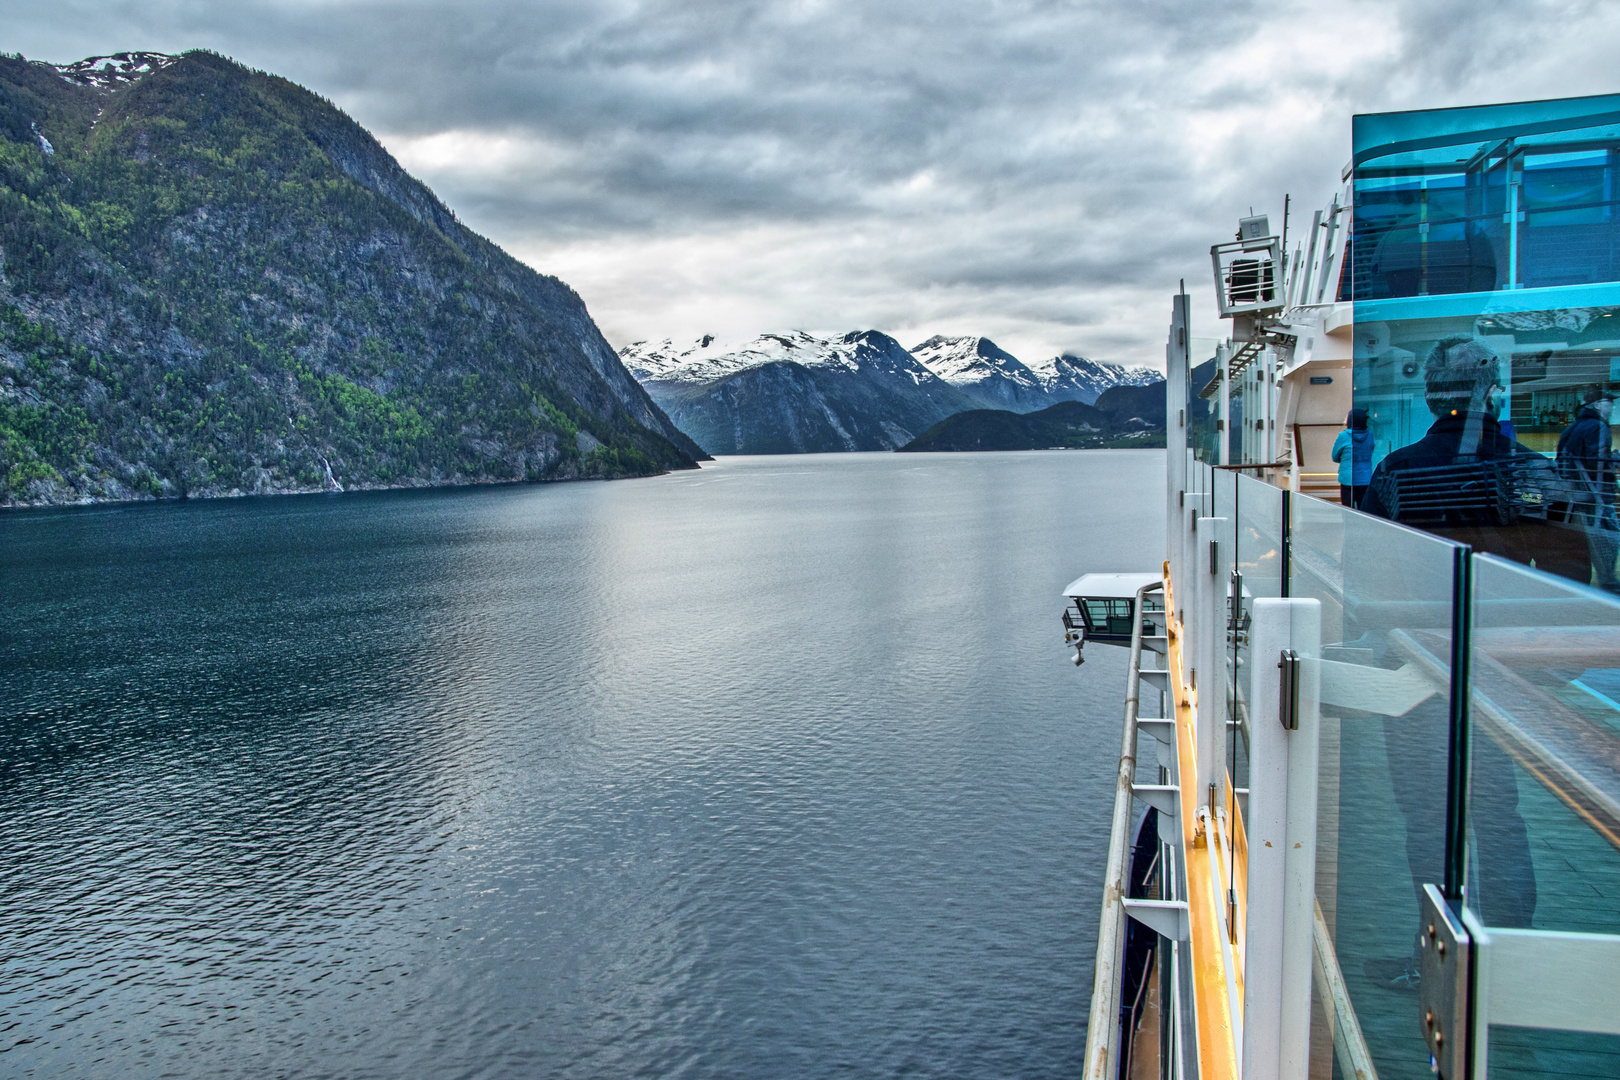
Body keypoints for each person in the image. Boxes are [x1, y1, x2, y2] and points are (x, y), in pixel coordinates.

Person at [1356, 337, 1539, 990]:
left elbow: (1366, 584)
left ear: (1432, 392)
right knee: (1498, 814)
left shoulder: (1400, 473)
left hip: (1418, 674)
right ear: (1492, 389)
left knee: (1428, 816)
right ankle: (1509, 960)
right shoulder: (1528, 473)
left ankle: (1433, 957)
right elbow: (1578, 575)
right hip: (1505, 676)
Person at [1555, 386, 1620, 592]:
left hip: (1576, 496)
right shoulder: (1597, 427)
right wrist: (1616, 458)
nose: (1613, 406)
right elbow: (1597, 462)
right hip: (1596, 495)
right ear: (1598, 405)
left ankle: (1603, 582)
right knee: (1609, 537)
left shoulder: (1572, 428)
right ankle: (1608, 583)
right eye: (1610, 402)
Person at [1330, 408, 1373, 507]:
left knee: (1347, 510)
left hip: (1348, 479)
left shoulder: (1343, 436)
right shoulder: (1370, 434)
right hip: (1365, 478)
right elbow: (1370, 451)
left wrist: (1344, 460)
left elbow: (1334, 456)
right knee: (1364, 510)